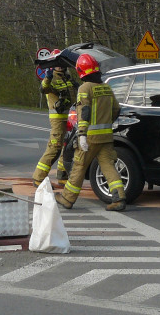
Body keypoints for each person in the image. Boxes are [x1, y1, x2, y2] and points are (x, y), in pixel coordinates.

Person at [54, 53, 126, 211]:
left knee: (79, 166)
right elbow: (116, 109)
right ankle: (119, 198)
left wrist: (81, 135)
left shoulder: (84, 88)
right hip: (106, 137)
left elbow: (84, 112)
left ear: (81, 71)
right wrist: (106, 123)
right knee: (108, 166)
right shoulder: (106, 87)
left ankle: (67, 198)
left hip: (90, 138)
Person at [31, 50, 76, 185]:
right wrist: (48, 77)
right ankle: (38, 178)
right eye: (58, 64)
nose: (60, 66)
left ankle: (63, 176)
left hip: (70, 118)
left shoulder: (67, 77)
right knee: (55, 147)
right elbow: (44, 89)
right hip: (58, 118)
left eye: (62, 63)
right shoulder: (51, 78)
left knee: (67, 147)